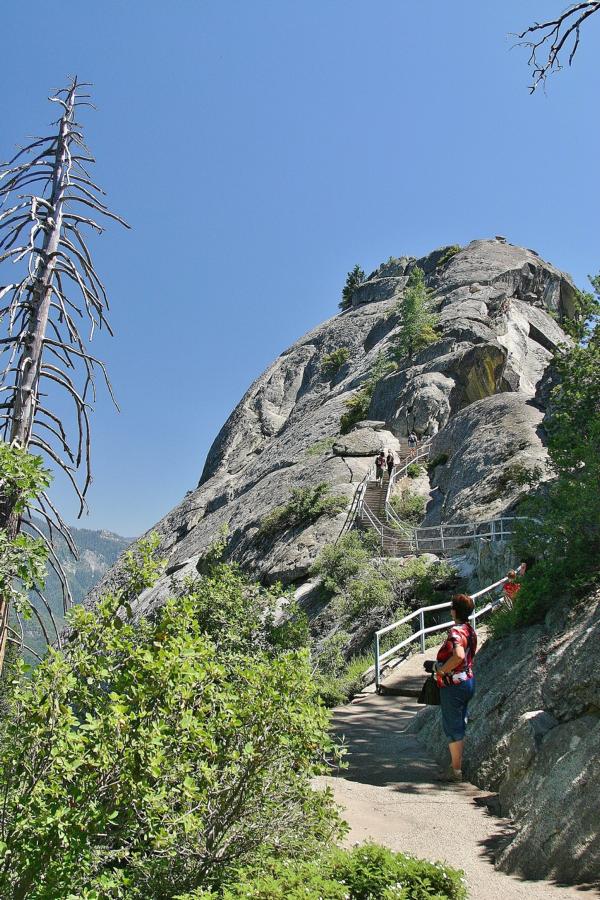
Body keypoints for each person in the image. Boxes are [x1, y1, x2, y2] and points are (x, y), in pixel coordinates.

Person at [424, 594, 477, 782]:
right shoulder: (470, 630)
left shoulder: (455, 632)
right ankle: (456, 766)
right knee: (460, 722)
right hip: (468, 681)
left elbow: (459, 656)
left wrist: (441, 670)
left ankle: (455, 771)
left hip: (453, 684)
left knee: (453, 727)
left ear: (454, 611)